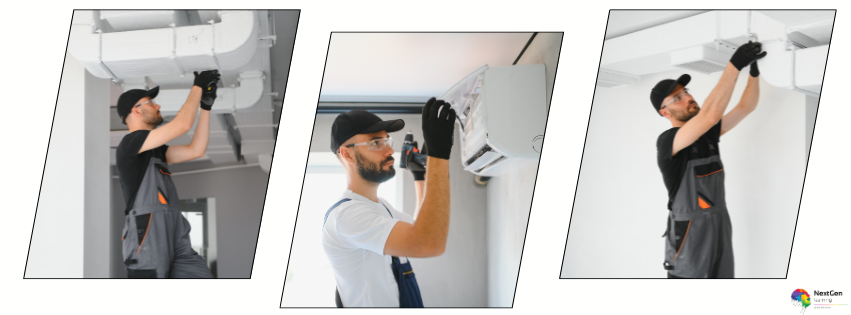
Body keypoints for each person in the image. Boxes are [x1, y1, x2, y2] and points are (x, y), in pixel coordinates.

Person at [322, 98, 456, 307]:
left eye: (387, 142)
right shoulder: (346, 216)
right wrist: (439, 154)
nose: (389, 151)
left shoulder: (380, 207)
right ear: (347, 154)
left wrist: (420, 176)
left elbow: (421, 227)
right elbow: (429, 243)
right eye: (376, 143)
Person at [653, 42, 766, 279]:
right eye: (677, 98)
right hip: (690, 234)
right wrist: (735, 65)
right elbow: (710, 114)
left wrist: (753, 72)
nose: (687, 98)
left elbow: (747, 106)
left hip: (719, 223)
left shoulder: (708, 134)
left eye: (686, 92)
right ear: (665, 112)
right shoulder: (668, 142)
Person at [115, 70, 221, 278]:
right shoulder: (130, 144)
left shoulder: (156, 149)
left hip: (174, 229)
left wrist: (205, 106)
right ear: (136, 111)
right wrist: (197, 87)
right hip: (148, 233)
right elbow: (182, 125)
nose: (158, 106)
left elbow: (196, 150)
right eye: (151, 102)